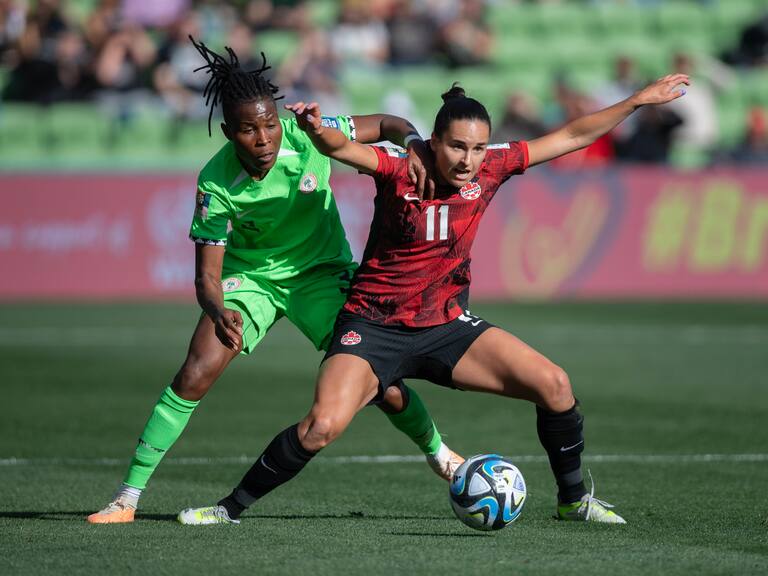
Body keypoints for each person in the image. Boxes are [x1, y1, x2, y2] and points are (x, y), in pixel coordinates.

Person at [178, 72, 689, 525]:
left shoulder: (494, 167)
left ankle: (574, 501)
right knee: (320, 427)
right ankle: (228, 508)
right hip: (371, 328)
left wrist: (637, 101)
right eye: (457, 147)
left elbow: (574, 134)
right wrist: (315, 129)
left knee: (555, 385)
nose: (469, 160)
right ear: (432, 143)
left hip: (446, 326)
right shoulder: (399, 169)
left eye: (478, 148)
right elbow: (341, 149)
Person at [86, 36, 461, 524]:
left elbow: (390, 124)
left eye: (268, 126)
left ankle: (439, 453)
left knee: (383, 383)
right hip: (253, 282)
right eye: (249, 130)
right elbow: (208, 278)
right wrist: (219, 311)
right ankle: (127, 499)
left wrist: (413, 144)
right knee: (196, 371)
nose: (264, 139)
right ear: (228, 132)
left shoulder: (305, 133)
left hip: (321, 273)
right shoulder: (215, 184)